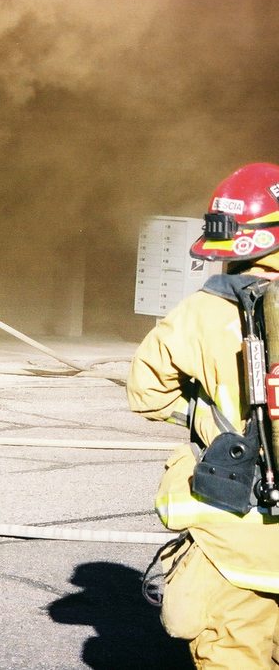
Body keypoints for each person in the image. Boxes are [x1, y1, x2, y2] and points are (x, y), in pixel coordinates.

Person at [128, 162, 279, 668]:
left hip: (244, 530)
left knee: (235, 651)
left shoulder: (203, 311)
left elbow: (145, 394)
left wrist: (201, 411)